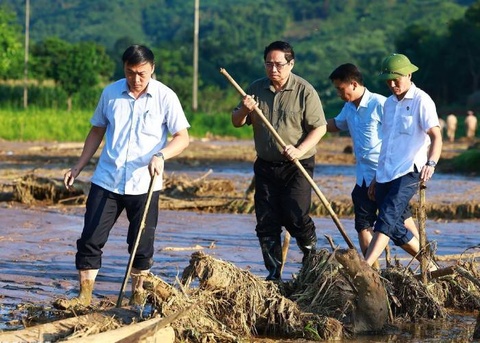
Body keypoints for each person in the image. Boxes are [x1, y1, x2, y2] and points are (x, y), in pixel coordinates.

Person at [54, 45, 190, 309]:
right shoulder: (111, 93)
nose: (136, 79)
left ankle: (137, 296)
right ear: (124, 69)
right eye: (130, 73)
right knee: (90, 238)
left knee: (141, 242)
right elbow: (97, 131)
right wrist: (78, 166)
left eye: (141, 73)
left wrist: (161, 155)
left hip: (145, 183)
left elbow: (182, 137)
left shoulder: (166, 97)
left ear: (152, 69)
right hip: (108, 179)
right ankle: (84, 296)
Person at [231, 41, 327, 281]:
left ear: (291, 64)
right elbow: (236, 121)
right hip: (265, 165)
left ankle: (311, 263)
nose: (273, 69)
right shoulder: (255, 89)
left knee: (295, 215)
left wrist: (299, 149)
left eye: (279, 64)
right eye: (269, 64)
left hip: (297, 165)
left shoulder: (305, 91)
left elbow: (320, 128)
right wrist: (244, 109)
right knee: (266, 221)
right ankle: (274, 274)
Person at [326, 63, 418, 257]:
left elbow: (397, 137)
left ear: (353, 84)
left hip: (386, 175)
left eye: (340, 89)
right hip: (363, 177)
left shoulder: (381, 104)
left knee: (397, 223)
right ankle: (371, 273)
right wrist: (311, 124)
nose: (339, 93)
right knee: (362, 224)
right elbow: (336, 124)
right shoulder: (349, 107)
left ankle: (426, 260)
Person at [365, 53, 442, 270]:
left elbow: (436, 136)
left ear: (409, 74)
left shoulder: (421, 100)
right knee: (396, 228)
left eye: (396, 79)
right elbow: (386, 143)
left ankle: (364, 267)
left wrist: (431, 163)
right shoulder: (388, 104)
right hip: (386, 173)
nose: (391, 84)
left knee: (386, 218)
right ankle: (431, 267)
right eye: (388, 80)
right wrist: (376, 177)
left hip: (410, 170)